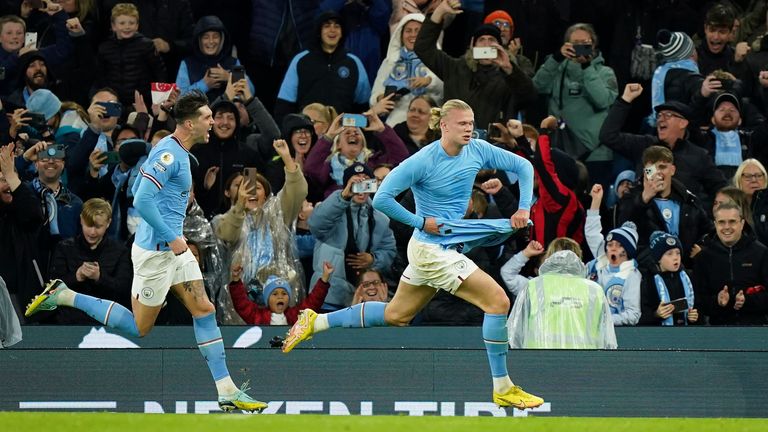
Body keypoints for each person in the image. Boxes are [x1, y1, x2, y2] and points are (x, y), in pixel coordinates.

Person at [282, 99, 543, 409]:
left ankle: (315, 322)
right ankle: (503, 386)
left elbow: (524, 166)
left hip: (442, 247)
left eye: (471, 123)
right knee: (498, 301)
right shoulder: (423, 160)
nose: (469, 128)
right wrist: (421, 221)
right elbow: (382, 199)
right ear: (444, 126)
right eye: (462, 123)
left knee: (396, 315)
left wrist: (524, 206)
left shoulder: (478, 149)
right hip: (431, 249)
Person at [24, 90, 266, 412]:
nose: (213, 122)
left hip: (172, 249)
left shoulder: (176, 152)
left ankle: (227, 390)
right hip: (156, 252)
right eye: (208, 117)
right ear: (191, 123)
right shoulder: (169, 154)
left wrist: (174, 215)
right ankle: (65, 295)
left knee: (204, 310)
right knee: (140, 327)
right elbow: (142, 200)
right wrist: (170, 234)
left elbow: (140, 187)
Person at [413, 0, 536, 129]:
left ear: (500, 47)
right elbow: (423, 48)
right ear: (473, 45)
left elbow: (529, 97)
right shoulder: (454, 68)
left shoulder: (509, 76)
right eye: (481, 40)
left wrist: (508, 68)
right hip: (454, 141)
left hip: (492, 144)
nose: (487, 44)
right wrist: (439, 12)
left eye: (492, 40)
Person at [601, 83, 726, 203]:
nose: (661, 119)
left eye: (668, 115)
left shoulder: (699, 156)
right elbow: (608, 136)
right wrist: (625, 100)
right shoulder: (644, 145)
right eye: (659, 115)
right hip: (645, 218)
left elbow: (720, 189)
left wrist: (703, 214)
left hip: (682, 222)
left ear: (683, 123)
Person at [532, 23, 618, 186]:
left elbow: (603, 101)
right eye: (575, 43)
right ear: (566, 45)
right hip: (560, 151)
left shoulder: (605, 72)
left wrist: (586, 67)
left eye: (585, 43)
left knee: (593, 205)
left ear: (593, 45)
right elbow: (536, 87)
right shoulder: (556, 68)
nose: (580, 47)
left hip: (595, 154)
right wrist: (556, 58)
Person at [306, 162, 397, 310]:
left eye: (366, 181)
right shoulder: (332, 209)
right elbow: (316, 225)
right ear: (347, 184)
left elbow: (390, 251)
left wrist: (374, 259)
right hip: (329, 295)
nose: (361, 185)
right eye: (356, 181)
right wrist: (343, 197)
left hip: (363, 296)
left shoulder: (380, 218)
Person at [617, 145, 713, 269]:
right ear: (645, 172)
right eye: (651, 169)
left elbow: (708, 231)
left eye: (662, 167)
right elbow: (623, 230)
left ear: (672, 170)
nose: (658, 173)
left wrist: (702, 250)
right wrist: (643, 199)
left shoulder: (688, 200)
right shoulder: (630, 198)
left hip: (684, 271)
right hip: (647, 272)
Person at [507, 250, 617, 349]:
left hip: (538, 361)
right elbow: (608, 339)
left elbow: (514, 332)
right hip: (584, 363)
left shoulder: (533, 286)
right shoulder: (594, 290)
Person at [47, 198, 133, 325]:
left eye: (98, 227)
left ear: (108, 223)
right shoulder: (64, 248)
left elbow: (125, 291)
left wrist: (100, 277)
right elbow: (51, 290)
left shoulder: (121, 252)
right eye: (88, 225)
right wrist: (77, 276)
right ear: (81, 220)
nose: (92, 232)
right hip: (69, 323)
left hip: (107, 323)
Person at [694, 202, 768, 325]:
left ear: (742, 223)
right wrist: (717, 302)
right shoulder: (703, 258)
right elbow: (698, 301)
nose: (727, 227)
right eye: (722, 222)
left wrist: (747, 301)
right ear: (715, 224)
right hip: (718, 331)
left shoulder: (761, 253)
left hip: (756, 329)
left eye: (732, 221)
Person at [369, 13, 443, 127]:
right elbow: (374, 95)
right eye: (408, 31)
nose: (413, 35)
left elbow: (445, 90)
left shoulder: (435, 57)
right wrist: (381, 98)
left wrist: (428, 81)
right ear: (401, 35)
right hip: (395, 120)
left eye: (417, 30)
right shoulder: (390, 61)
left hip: (429, 120)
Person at [586, 185, 642, 326]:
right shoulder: (601, 261)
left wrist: (605, 321)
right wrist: (596, 201)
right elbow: (592, 232)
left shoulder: (632, 275)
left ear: (627, 250)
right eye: (610, 244)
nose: (612, 248)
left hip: (616, 334)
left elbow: (633, 314)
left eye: (618, 245)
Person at [228, 261, 332, 326]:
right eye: (275, 294)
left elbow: (313, 302)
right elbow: (241, 304)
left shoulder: (295, 316)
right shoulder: (257, 316)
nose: (280, 297)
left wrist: (324, 279)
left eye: (284, 293)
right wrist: (236, 280)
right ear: (267, 299)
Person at [639, 231, 698, 326]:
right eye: (670, 254)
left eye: (678, 253)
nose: (675, 258)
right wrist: (656, 314)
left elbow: (699, 310)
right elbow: (641, 318)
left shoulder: (688, 277)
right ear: (658, 259)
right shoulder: (648, 281)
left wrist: (694, 317)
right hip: (660, 336)